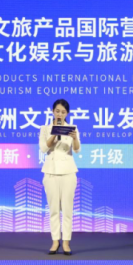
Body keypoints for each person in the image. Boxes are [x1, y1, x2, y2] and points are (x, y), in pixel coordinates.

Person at [39, 99, 81, 255]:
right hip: (50, 171)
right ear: (53, 112)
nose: (60, 114)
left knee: (68, 209)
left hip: (68, 171)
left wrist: (75, 138)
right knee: (54, 209)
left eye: (63, 112)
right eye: (57, 111)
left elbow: (77, 150)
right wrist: (54, 133)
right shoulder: (45, 128)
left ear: (67, 113)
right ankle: (55, 241)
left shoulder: (72, 128)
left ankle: (66, 242)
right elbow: (44, 148)